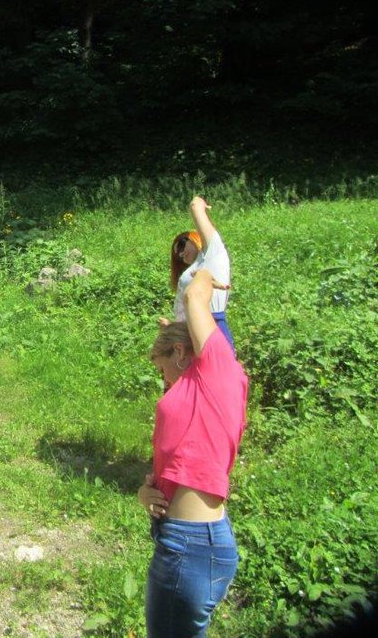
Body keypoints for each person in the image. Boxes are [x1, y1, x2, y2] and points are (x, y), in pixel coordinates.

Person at [138, 269, 248, 637]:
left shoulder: (218, 371)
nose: (165, 378)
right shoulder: (199, 393)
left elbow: (195, 296)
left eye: (163, 367)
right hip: (187, 538)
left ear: (181, 352)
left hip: (190, 544)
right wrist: (148, 491)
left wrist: (201, 274)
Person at [164, 195, 234, 353]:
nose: (181, 254)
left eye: (182, 245)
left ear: (195, 237)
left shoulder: (213, 254)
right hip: (191, 332)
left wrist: (200, 203)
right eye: (178, 255)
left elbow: (195, 206)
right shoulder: (192, 269)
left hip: (211, 325)